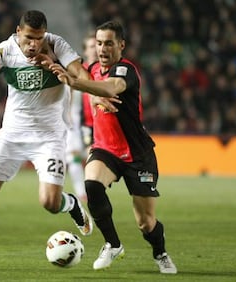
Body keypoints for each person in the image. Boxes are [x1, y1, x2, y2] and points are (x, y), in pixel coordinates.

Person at [0, 10, 93, 270]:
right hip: (12, 135)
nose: (34, 44)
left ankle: (71, 204)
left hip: (49, 137)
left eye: (39, 38)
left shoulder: (57, 45)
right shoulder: (3, 51)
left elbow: (82, 76)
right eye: (29, 38)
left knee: (50, 203)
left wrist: (63, 72)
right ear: (17, 32)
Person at [50, 21, 177, 274]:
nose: (102, 48)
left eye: (108, 43)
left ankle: (160, 253)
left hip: (137, 154)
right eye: (98, 43)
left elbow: (111, 87)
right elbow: (88, 81)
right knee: (92, 185)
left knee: (145, 223)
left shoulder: (126, 70)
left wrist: (76, 84)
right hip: (105, 149)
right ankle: (112, 244)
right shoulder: (93, 69)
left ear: (121, 45)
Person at [64, 32, 99, 203]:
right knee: (74, 155)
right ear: (85, 51)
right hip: (80, 122)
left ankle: (93, 191)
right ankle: (82, 193)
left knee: (95, 160)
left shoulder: (106, 70)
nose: (96, 50)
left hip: (101, 122)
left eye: (98, 45)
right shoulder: (79, 71)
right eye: (92, 46)